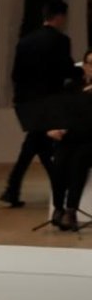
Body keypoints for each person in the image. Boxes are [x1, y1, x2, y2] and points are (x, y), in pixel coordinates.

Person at [0, 0, 79, 207]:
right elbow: (66, 70)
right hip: (47, 103)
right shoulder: (61, 41)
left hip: (26, 102)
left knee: (34, 144)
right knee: (40, 146)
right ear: (60, 17)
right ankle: (61, 188)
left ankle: (13, 188)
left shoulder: (25, 41)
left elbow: (16, 74)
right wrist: (83, 73)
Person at [46, 48, 92, 230]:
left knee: (79, 162)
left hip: (90, 139)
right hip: (70, 136)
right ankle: (58, 208)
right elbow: (59, 110)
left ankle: (71, 210)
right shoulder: (72, 86)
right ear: (84, 65)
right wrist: (53, 128)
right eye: (89, 63)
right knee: (58, 163)